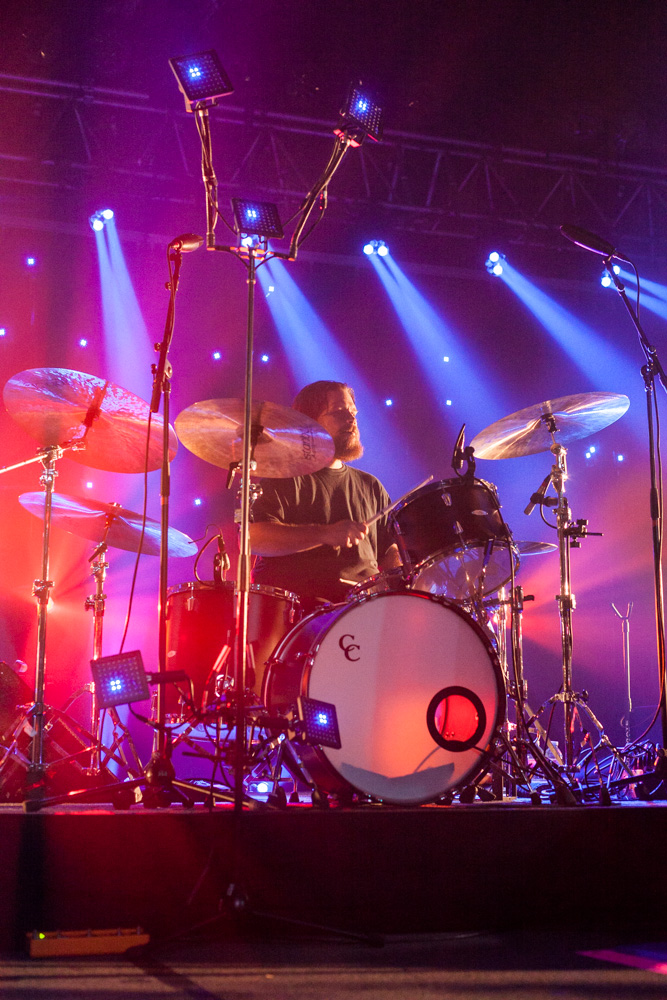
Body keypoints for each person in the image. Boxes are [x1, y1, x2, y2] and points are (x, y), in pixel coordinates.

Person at [250, 380, 401, 611]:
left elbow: (389, 551)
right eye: (339, 412)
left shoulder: (371, 485)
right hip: (305, 613)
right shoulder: (282, 478)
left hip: (369, 609)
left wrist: (404, 579)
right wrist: (325, 533)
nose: (351, 419)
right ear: (309, 422)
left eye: (353, 412)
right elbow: (256, 538)